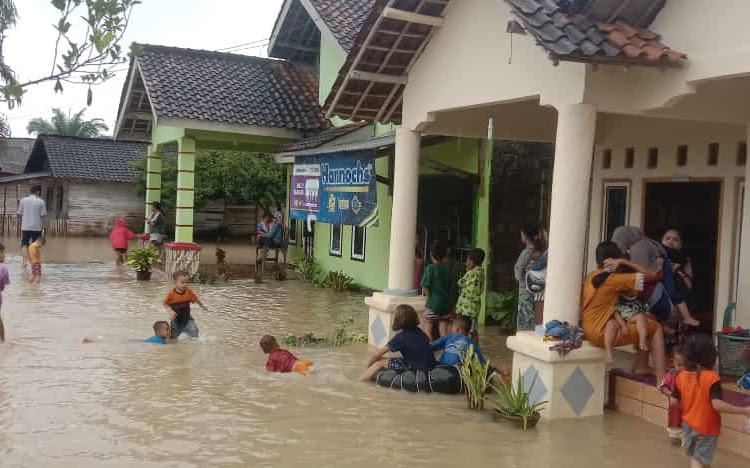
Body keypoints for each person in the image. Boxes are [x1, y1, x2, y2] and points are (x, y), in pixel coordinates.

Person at [581, 241, 667, 382]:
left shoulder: (592, 276)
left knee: (648, 318)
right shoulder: (615, 279)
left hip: (589, 329)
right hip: (600, 333)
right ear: (614, 258)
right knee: (656, 327)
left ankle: (642, 366)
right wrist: (623, 262)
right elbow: (653, 275)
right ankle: (662, 379)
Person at [671, 333, 750, 467]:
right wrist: (743, 410)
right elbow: (717, 405)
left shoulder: (680, 376)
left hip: (688, 424)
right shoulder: (712, 378)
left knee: (699, 457)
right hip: (706, 427)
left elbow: (673, 402)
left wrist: (688, 408)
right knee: (699, 459)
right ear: (712, 356)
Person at [612, 226, 699, 326]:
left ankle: (686, 317)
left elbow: (644, 277)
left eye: (675, 239)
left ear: (681, 244)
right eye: (668, 238)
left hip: (667, 298)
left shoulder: (643, 248)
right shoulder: (639, 249)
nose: (671, 242)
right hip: (659, 298)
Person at [359, 304, 436, 381]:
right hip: (429, 364)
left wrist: (368, 367)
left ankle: (360, 381)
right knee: (383, 359)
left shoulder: (401, 337)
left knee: (378, 363)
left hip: (416, 368)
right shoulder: (420, 331)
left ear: (397, 320)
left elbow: (376, 354)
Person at [420, 242, 455, 340]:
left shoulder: (430, 268)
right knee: (443, 331)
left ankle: (431, 349)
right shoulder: (448, 270)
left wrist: (429, 297)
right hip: (446, 306)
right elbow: (452, 290)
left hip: (433, 305)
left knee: (427, 330)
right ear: (444, 256)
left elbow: (425, 285)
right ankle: (445, 349)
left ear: (431, 255)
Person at [162, 270, 208, 339]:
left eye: (187, 282)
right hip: (175, 320)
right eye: (182, 282)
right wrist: (170, 311)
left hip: (187, 319)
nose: (185, 284)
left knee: (194, 332)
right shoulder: (171, 294)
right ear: (175, 282)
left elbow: (196, 299)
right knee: (173, 339)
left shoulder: (189, 292)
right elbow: (165, 303)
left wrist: (202, 306)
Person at [455, 248, 485, 341]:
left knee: (462, 328)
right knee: (473, 330)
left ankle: (462, 346)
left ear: (472, 261)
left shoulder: (471, 273)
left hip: (466, 307)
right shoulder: (481, 272)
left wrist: (466, 271)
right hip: (475, 306)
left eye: (467, 260)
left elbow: (461, 283)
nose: (466, 262)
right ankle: (475, 348)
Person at [515, 224, 539, 331]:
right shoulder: (539, 251)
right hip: (534, 289)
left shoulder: (526, 252)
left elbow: (519, 270)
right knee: (530, 317)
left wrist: (519, 279)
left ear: (525, 236)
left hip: (525, 289)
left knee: (524, 320)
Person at [660, 346, 686, 446]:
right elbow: (663, 387)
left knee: (687, 445)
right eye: (679, 365)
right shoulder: (671, 375)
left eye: (686, 365)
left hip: (689, 420)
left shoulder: (692, 377)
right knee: (674, 441)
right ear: (672, 363)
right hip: (674, 417)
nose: (683, 368)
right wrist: (671, 395)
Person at [17, 185, 47, 268]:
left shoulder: (23, 200)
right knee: (35, 245)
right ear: (38, 192)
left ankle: (24, 262)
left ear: (30, 192)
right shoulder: (41, 202)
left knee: (24, 244)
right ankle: (34, 262)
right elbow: (43, 216)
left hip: (25, 227)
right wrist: (44, 227)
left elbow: (19, 213)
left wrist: (20, 223)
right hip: (37, 227)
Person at [0, 243, 9, 343]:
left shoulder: (2, 267)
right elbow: (3, 285)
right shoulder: (3, 268)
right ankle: (2, 340)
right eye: (3, 253)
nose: (4, 255)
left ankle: (2, 341)